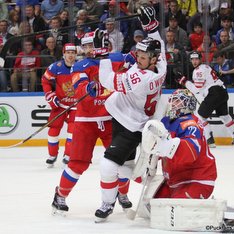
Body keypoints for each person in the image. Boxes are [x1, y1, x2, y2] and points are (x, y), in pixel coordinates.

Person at [94, 5, 167, 222]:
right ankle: (128, 185)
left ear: (152, 59)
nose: (138, 59)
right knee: (125, 164)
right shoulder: (161, 65)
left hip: (130, 124)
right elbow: (159, 43)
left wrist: (102, 54)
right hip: (126, 116)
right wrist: (150, 26)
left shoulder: (140, 80)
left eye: (143, 57)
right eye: (138, 54)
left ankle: (107, 203)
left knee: (108, 164)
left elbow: (106, 80)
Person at [51, 29, 133, 215]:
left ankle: (122, 194)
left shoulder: (116, 58)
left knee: (120, 161)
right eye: (85, 45)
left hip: (112, 119)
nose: (87, 49)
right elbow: (79, 88)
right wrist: (87, 87)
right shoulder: (80, 65)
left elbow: (135, 60)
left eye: (90, 45)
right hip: (86, 121)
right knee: (78, 163)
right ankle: (60, 195)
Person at [140, 89, 217, 200]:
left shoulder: (190, 123)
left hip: (196, 180)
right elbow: (158, 148)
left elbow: (190, 152)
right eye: (172, 100)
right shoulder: (166, 122)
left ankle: (207, 212)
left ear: (188, 104)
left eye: (177, 101)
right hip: (173, 181)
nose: (172, 104)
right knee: (150, 207)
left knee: (174, 211)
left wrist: (163, 146)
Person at [177, 51, 234, 148]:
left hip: (214, 93)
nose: (194, 61)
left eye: (196, 59)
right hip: (223, 91)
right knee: (224, 116)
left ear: (200, 59)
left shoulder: (198, 71)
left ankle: (209, 140)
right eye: (192, 59)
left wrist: (184, 82)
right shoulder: (206, 67)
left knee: (200, 116)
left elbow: (197, 90)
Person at [41, 43, 77, 166]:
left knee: (73, 132)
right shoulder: (55, 67)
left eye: (73, 53)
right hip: (60, 104)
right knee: (53, 130)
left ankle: (68, 154)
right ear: (64, 54)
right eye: (68, 53)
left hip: (76, 106)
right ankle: (52, 155)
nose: (70, 55)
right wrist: (50, 95)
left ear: (76, 54)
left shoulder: (81, 67)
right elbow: (45, 80)